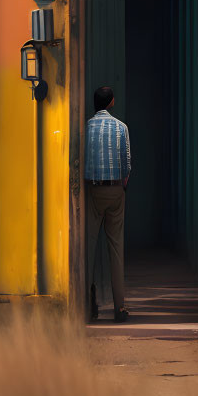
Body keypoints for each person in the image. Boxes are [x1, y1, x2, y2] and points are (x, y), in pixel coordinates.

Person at [84, 85, 131, 322]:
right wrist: (122, 185)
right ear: (111, 102)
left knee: (87, 248)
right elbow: (127, 164)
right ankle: (119, 308)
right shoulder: (121, 127)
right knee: (116, 249)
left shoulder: (86, 128)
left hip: (93, 190)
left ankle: (85, 305)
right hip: (115, 190)